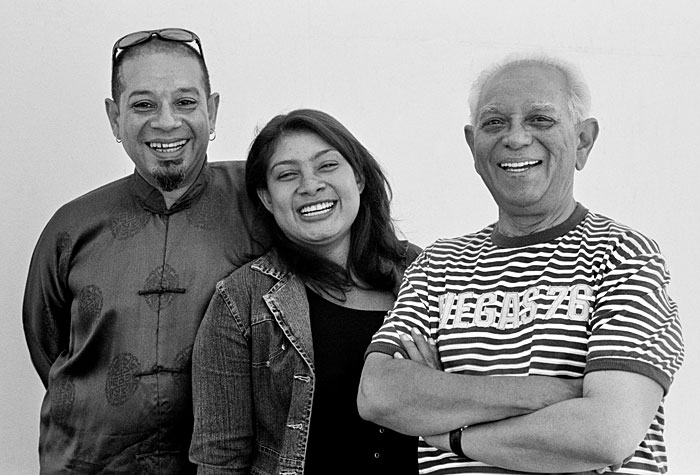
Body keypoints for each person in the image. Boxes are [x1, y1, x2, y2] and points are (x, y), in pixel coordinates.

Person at [358, 54, 684, 474]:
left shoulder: (624, 256)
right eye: (495, 122)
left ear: (583, 141)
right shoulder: (437, 266)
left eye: (540, 120)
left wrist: (450, 431)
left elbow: (606, 433)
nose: (515, 138)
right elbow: (380, 394)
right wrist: (553, 393)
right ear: (473, 145)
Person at [22, 28, 269, 474]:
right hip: (88, 463)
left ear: (212, 111)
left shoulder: (262, 206)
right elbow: (48, 345)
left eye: (185, 102)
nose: (167, 122)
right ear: (115, 118)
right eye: (143, 105)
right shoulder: (71, 227)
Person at [189, 109, 421, 474]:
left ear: (359, 178)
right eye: (287, 174)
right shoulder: (240, 300)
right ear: (267, 198)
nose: (310, 185)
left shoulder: (425, 271)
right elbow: (220, 460)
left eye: (327, 166)